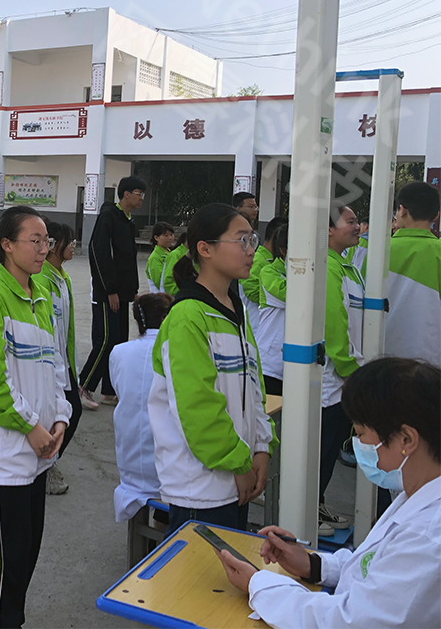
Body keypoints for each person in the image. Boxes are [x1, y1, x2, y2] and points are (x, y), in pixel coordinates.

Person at [216, 357, 440, 629]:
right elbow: (376, 567)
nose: (356, 444)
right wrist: (314, 565)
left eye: (361, 434)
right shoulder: (418, 494)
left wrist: (258, 584)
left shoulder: (428, 536)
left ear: (406, 439)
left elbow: (350, 621)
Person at [0, 205, 72, 629]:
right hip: (3, 457)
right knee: (4, 562)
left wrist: (59, 419)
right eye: (35, 241)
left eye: (47, 241)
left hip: (37, 452)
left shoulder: (39, 295)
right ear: (6, 245)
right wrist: (30, 426)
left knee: (25, 555)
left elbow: (55, 367)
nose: (44, 249)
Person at [148, 203, 277, 536]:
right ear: (205, 249)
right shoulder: (187, 316)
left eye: (253, 239)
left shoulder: (235, 310)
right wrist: (238, 463)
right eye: (242, 240)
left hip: (238, 476)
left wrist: (261, 447)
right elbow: (197, 406)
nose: (252, 250)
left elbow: (255, 388)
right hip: (201, 488)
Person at [317, 205, 364, 535]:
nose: (357, 226)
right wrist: (350, 370)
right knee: (321, 449)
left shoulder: (345, 266)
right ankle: (308, 510)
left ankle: (317, 503)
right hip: (332, 380)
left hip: (343, 379)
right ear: (329, 230)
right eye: (350, 221)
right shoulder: (327, 268)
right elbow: (334, 325)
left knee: (331, 448)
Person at [81, 175, 146, 407]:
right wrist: (110, 290)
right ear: (126, 194)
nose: (142, 198)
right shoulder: (108, 216)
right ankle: (84, 386)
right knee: (106, 340)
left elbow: (127, 260)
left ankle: (109, 391)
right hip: (107, 293)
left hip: (122, 294)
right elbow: (99, 254)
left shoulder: (128, 221)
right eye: (139, 193)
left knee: (118, 343)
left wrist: (132, 291)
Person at [110, 292, 173, 523]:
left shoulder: (119, 352)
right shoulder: (175, 352)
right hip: (166, 466)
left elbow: (121, 390)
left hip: (128, 461)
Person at [35, 220, 85, 494]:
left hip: (64, 360)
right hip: (50, 361)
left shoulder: (62, 277)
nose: (73, 246)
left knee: (71, 411)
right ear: (54, 245)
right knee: (66, 411)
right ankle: (46, 464)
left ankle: (49, 461)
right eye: (69, 242)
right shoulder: (42, 279)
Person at [384, 182, 439, 365]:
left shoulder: (377, 251)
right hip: (431, 358)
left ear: (401, 211)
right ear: (436, 215)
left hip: (382, 355)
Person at [257, 223, 288, 396]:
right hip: (271, 362)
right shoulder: (269, 272)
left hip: (298, 359)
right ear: (284, 250)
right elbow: (293, 296)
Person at [241, 216, 286, 335]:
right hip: (255, 324)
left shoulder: (273, 261)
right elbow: (251, 291)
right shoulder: (257, 259)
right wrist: (267, 293)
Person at [145, 222, 175, 293]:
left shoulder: (171, 253)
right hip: (161, 295)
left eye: (171, 234)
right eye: (166, 235)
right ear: (156, 238)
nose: (170, 238)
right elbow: (159, 282)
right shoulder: (155, 257)